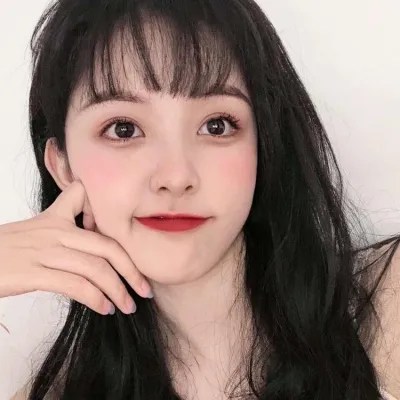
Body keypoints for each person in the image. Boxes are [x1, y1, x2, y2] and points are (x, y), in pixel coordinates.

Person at [2, 0, 399, 398]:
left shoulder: (388, 305)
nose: (176, 177)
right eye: (123, 129)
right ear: (63, 167)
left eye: (217, 125)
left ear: (263, 142)